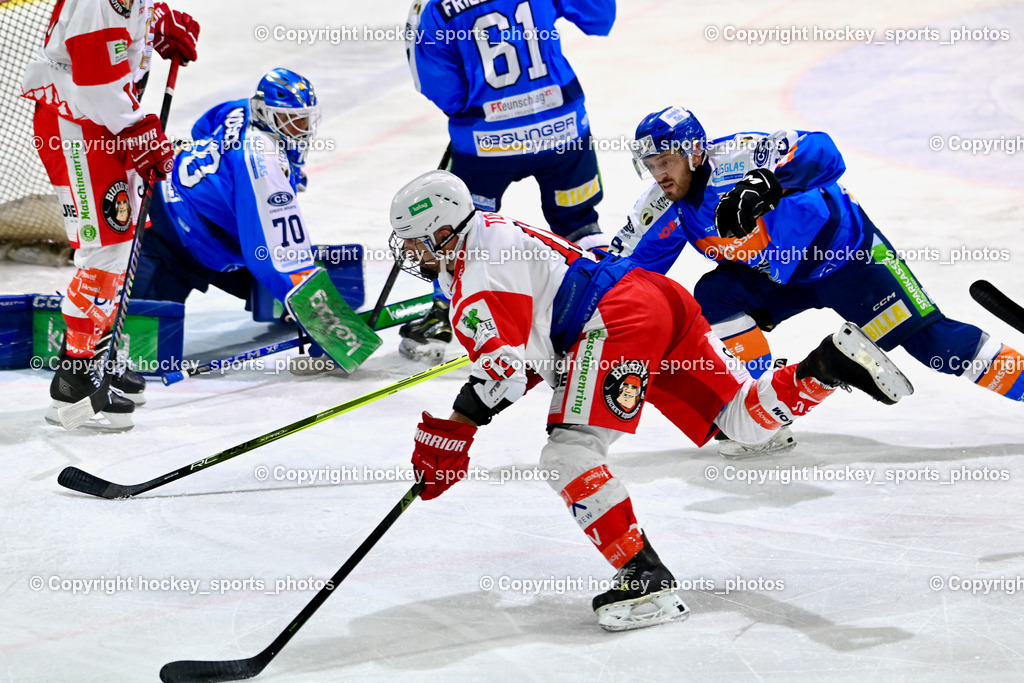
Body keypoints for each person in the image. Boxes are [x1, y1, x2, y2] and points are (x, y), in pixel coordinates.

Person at [389, 170, 912, 631]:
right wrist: (475, 407)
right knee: (741, 424)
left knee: (568, 453)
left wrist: (452, 434)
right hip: (655, 298)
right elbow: (526, 355)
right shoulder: (491, 232)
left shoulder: (477, 279)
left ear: (443, 231)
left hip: (614, 319)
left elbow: (500, 375)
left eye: (415, 243)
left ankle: (644, 580)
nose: (411, 254)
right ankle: (827, 366)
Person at [610, 106, 1024, 457]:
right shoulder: (663, 206)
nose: (659, 174)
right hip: (777, 281)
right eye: (651, 165)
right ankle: (763, 415)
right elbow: (625, 273)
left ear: (695, 152)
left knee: (938, 347)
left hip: (850, 261)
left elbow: (824, 152)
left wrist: (771, 183)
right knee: (714, 296)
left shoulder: (740, 156)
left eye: (666, 161)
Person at [397, 0, 615, 361]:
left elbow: (441, 87)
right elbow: (599, 17)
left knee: (458, 232)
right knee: (579, 224)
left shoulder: (433, 8)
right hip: (563, 129)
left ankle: (443, 316)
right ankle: (614, 304)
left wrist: (485, 104)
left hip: (486, 143)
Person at [23, 0, 200, 430]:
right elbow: (95, 76)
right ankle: (74, 379)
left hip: (106, 123)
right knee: (105, 251)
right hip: (78, 125)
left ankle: (98, 355)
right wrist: (139, 130)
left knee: (122, 247)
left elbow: (129, 21)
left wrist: (159, 22)